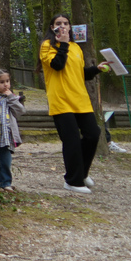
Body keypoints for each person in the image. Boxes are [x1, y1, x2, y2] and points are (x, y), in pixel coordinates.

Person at [38, 13, 106, 194]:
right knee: (72, 140)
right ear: (52, 28)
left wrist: (96, 69)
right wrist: (64, 44)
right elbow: (58, 65)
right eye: (58, 23)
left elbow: (79, 73)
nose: (62, 26)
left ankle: (82, 173)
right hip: (61, 100)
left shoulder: (76, 48)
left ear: (70, 27)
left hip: (80, 99)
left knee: (93, 134)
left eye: (66, 23)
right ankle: (73, 181)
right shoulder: (47, 46)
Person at [0, 68, 24, 194]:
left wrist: (11, 97)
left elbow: (20, 111)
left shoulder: (12, 98)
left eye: (7, 81)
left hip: (5, 137)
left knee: (5, 162)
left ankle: (5, 183)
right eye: (2, 82)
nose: (6, 84)